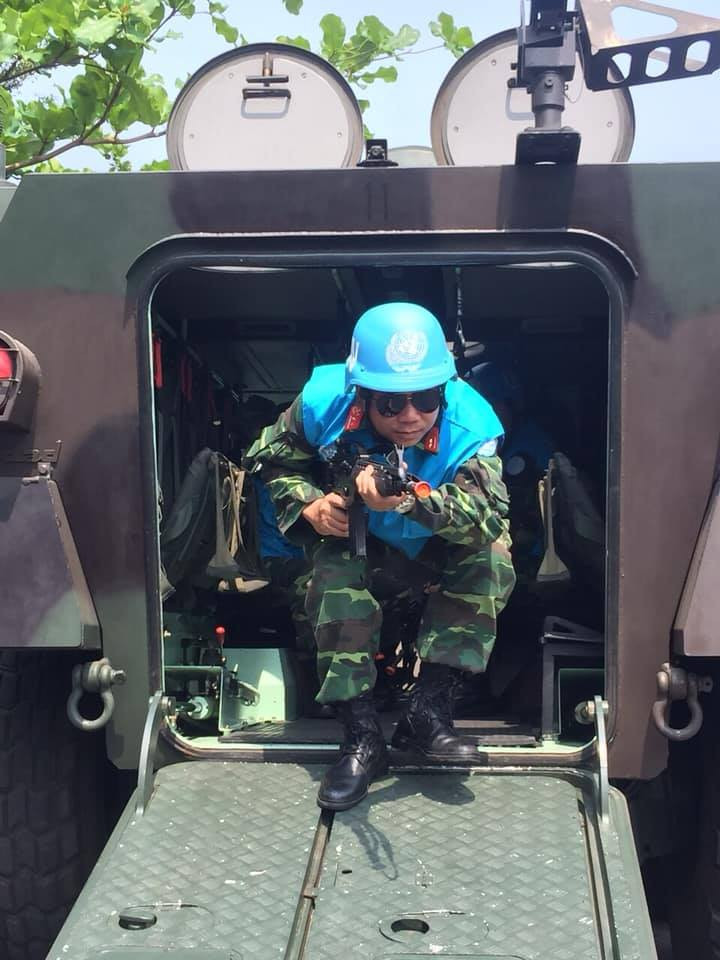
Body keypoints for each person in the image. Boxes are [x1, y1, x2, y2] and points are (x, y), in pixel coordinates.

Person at [245, 303, 516, 810]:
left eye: (426, 399)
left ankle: (427, 715)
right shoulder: (320, 403)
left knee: (492, 558)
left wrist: (411, 500)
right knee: (332, 577)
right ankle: (362, 739)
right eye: (391, 403)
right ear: (362, 393)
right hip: (354, 546)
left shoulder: (473, 425)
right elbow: (270, 460)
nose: (410, 417)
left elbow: (485, 517)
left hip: (435, 551)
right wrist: (309, 505)